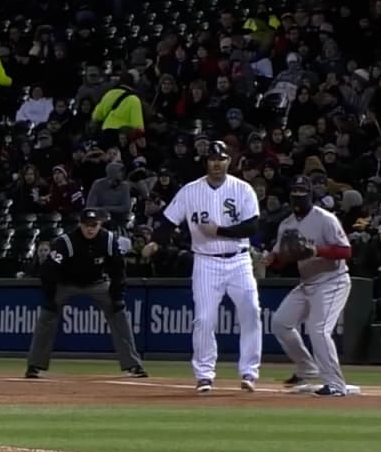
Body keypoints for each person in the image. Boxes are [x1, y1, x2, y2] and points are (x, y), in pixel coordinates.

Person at [142, 140, 262, 393]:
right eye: (212, 159)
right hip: (206, 261)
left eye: (221, 159)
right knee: (204, 319)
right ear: (206, 162)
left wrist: (219, 230)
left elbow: (251, 227)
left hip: (239, 259)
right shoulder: (190, 191)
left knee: (251, 310)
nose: (217, 163)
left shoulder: (243, 189)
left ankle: (249, 372)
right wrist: (155, 243)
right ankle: (204, 374)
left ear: (229, 161)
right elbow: (167, 222)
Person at [25, 209, 148, 379]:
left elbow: (119, 270)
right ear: (80, 225)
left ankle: (134, 364)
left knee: (119, 313)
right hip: (66, 283)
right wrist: (50, 296)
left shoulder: (108, 240)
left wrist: (117, 296)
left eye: (94, 225)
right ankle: (34, 364)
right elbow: (48, 270)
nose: (90, 229)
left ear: (100, 225)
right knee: (47, 315)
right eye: (86, 225)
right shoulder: (66, 242)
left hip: (97, 283)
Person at [264, 176, 354, 397]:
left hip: (332, 280)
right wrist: (271, 260)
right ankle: (307, 367)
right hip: (307, 283)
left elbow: (345, 251)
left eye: (302, 191)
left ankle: (335, 384)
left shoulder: (325, 219)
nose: (298, 195)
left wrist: (317, 251)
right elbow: (281, 258)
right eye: (294, 190)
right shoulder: (286, 225)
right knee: (280, 323)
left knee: (319, 330)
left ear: (310, 194)